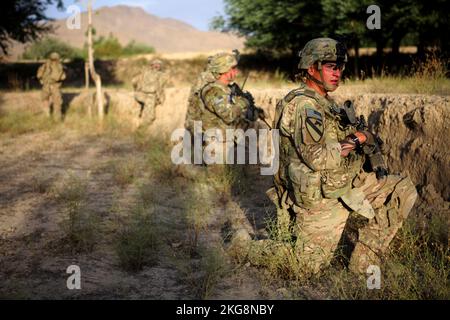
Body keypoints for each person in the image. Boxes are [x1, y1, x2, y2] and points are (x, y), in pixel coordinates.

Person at [235, 38, 417, 275]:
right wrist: (357, 139)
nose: (338, 72)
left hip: (345, 183)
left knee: (401, 190)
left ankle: (365, 264)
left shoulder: (326, 104)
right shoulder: (304, 107)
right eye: (331, 66)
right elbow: (319, 158)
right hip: (320, 199)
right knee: (305, 267)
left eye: (340, 67)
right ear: (312, 68)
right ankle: (244, 247)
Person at [184, 50, 261, 165]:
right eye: (233, 68)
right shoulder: (212, 91)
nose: (236, 71)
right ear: (224, 71)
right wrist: (244, 101)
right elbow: (229, 115)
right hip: (216, 145)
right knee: (216, 180)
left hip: (226, 140)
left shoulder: (227, 89)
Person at [132, 59, 167, 125]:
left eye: (158, 64)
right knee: (150, 115)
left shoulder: (160, 74)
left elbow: (134, 81)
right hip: (146, 95)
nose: (157, 66)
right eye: (155, 64)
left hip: (144, 94)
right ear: (151, 65)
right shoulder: (146, 73)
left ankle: (142, 122)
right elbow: (134, 81)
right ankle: (143, 123)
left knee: (148, 109)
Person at [36, 52, 66, 119]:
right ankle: (57, 118)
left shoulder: (45, 65)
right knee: (57, 103)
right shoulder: (59, 66)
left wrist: (42, 80)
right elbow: (63, 77)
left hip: (46, 85)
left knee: (45, 100)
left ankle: (47, 115)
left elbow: (39, 75)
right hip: (55, 86)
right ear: (58, 58)